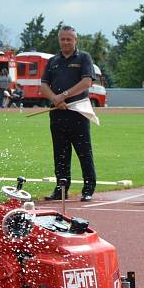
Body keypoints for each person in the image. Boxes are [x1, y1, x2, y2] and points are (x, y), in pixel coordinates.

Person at [40, 25, 97, 201]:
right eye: (63, 39)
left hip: (77, 112)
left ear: (75, 40)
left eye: (69, 39)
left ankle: (88, 189)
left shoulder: (84, 58)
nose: (65, 42)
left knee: (83, 152)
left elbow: (86, 82)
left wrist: (63, 96)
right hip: (57, 113)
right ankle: (61, 188)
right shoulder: (53, 61)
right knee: (60, 153)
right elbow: (43, 85)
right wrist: (56, 99)